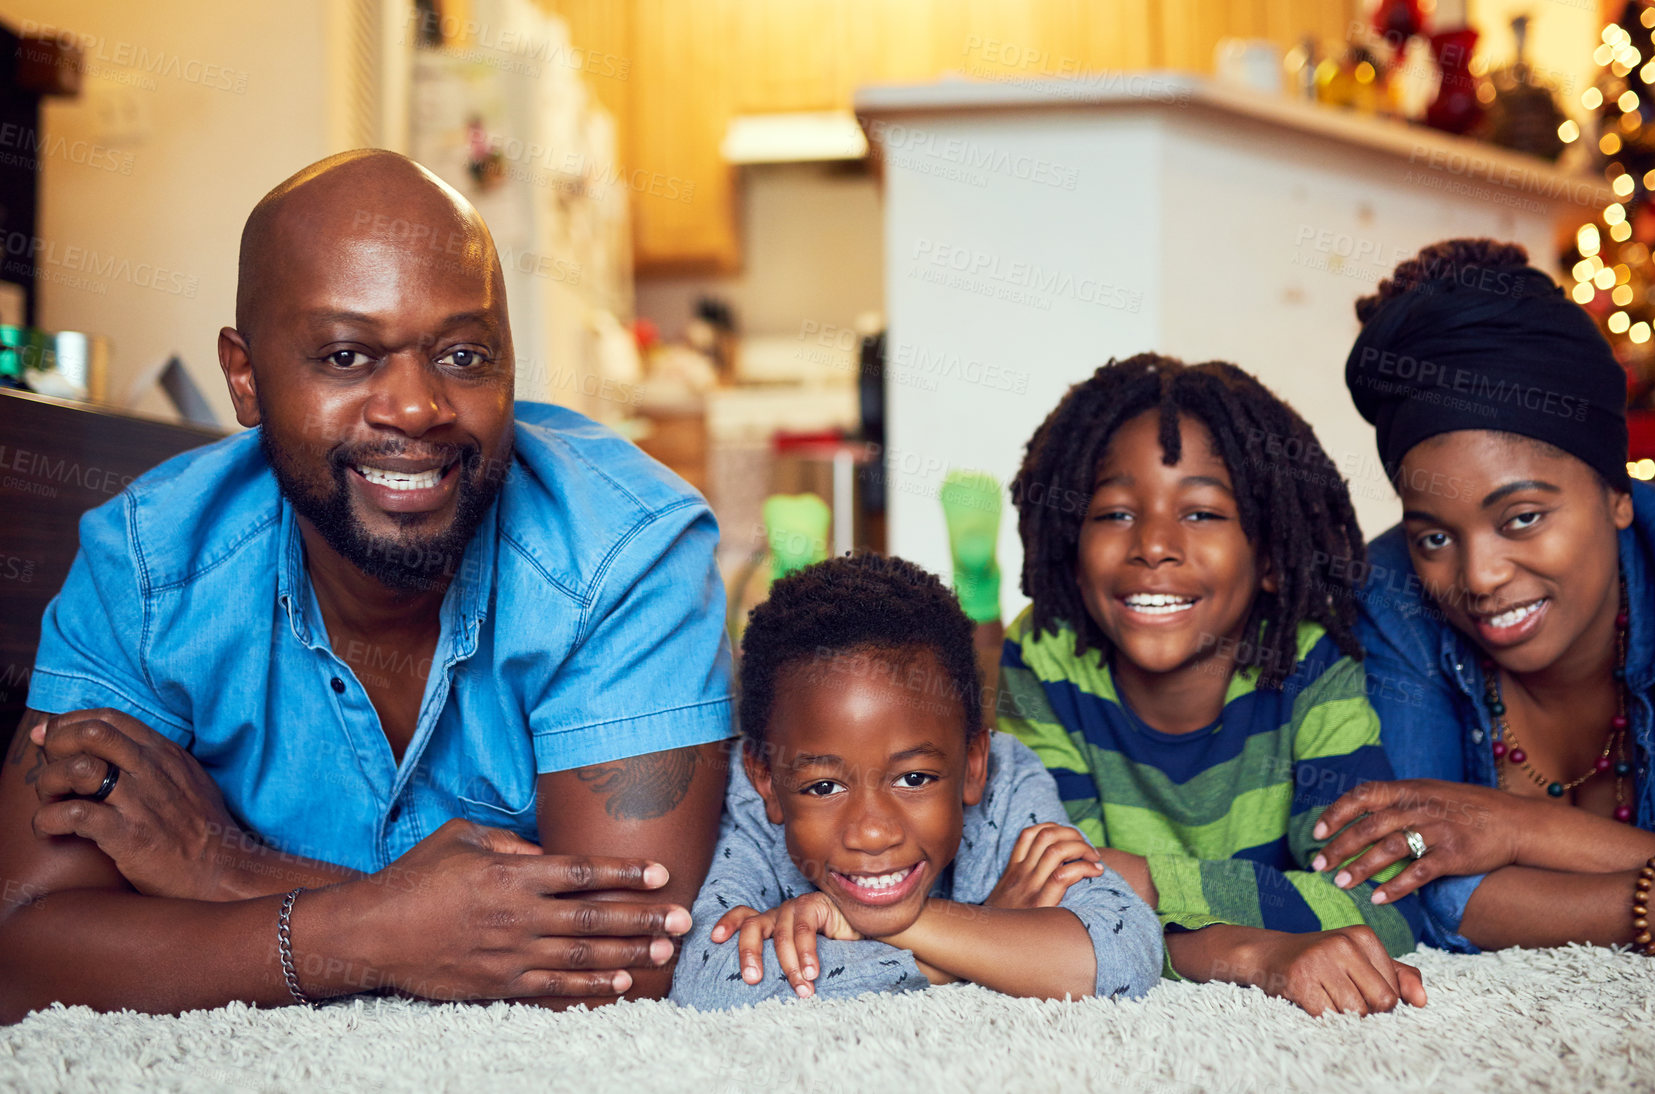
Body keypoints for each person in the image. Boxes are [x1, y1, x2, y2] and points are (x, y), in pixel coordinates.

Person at [0, 150, 734, 1021]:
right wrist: (383, 928)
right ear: (245, 376)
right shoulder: (150, 564)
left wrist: (227, 867)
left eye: (464, 355)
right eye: (347, 356)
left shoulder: (626, 550)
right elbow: (26, 952)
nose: (416, 408)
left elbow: (623, 963)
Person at [1323, 237, 1655, 956]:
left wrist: (1525, 830)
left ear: (1616, 494)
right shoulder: (1395, 597)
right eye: (1434, 536)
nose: (1480, 576)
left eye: (1521, 518)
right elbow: (1398, 878)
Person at [996, 353, 1428, 1017]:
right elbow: (1060, 912)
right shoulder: (1045, 655)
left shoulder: (1308, 658)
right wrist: (1249, 950)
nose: (1154, 545)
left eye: (1200, 513)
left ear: (1272, 558)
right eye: (1114, 513)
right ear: (1070, 546)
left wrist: (1143, 879)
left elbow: (1379, 900)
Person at [671, 553, 1161, 1009]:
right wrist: (990, 930)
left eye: (913, 778)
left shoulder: (1006, 781)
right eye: (824, 787)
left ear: (973, 764)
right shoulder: (747, 800)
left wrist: (891, 926)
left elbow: (1118, 955)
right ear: (765, 778)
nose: (872, 832)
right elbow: (710, 980)